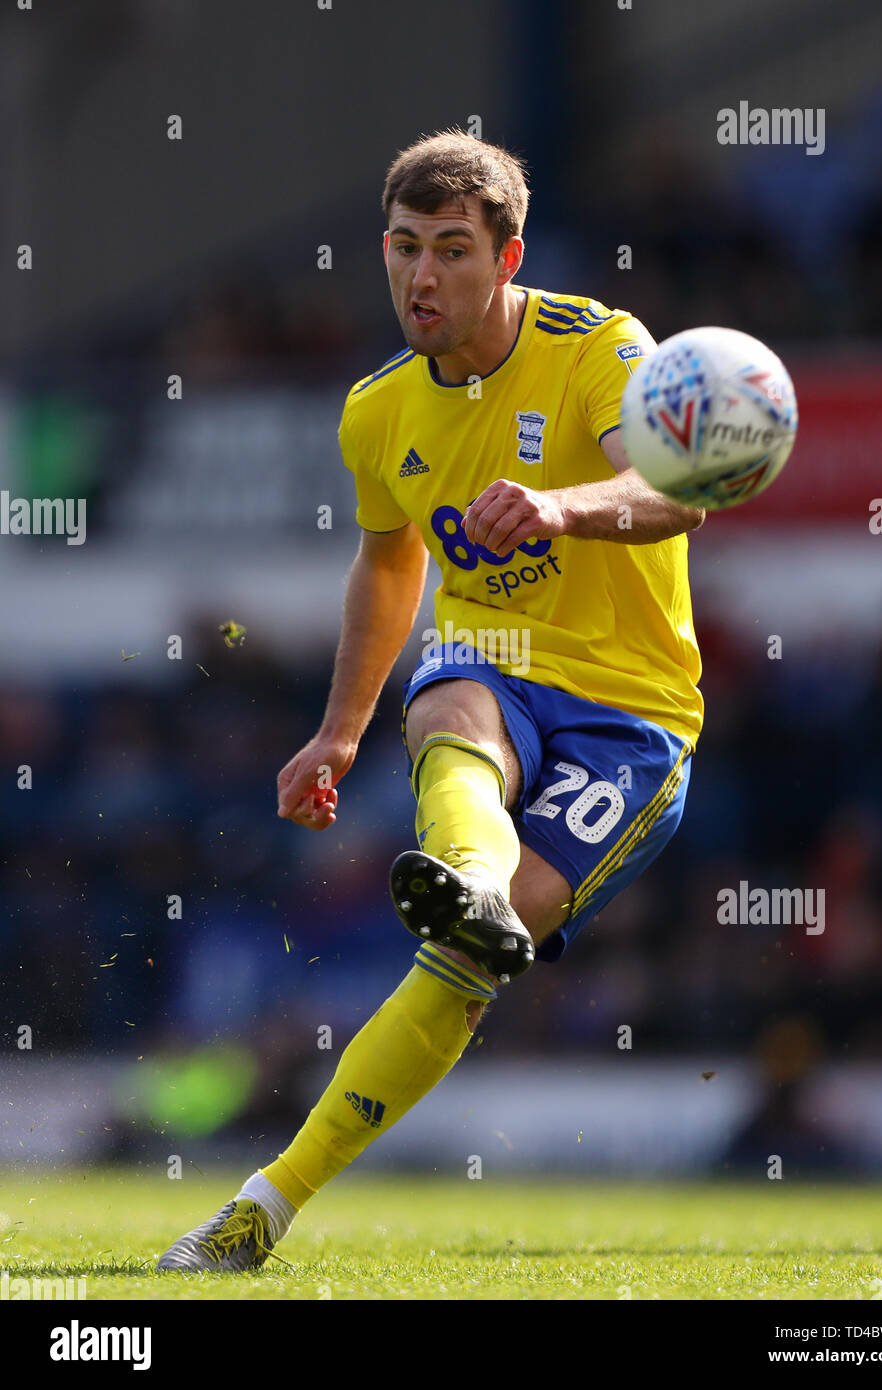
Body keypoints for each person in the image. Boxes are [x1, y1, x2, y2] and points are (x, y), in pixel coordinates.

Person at [157, 128, 704, 1272]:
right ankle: (257, 1208)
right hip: (490, 657)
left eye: (451, 250)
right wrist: (339, 728)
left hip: (633, 713)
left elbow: (668, 494)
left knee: (464, 968)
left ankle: (465, 914)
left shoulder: (599, 344)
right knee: (449, 698)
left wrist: (558, 508)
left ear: (505, 260)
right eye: (402, 248)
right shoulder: (378, 410)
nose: (420, 276)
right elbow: (389, 565)